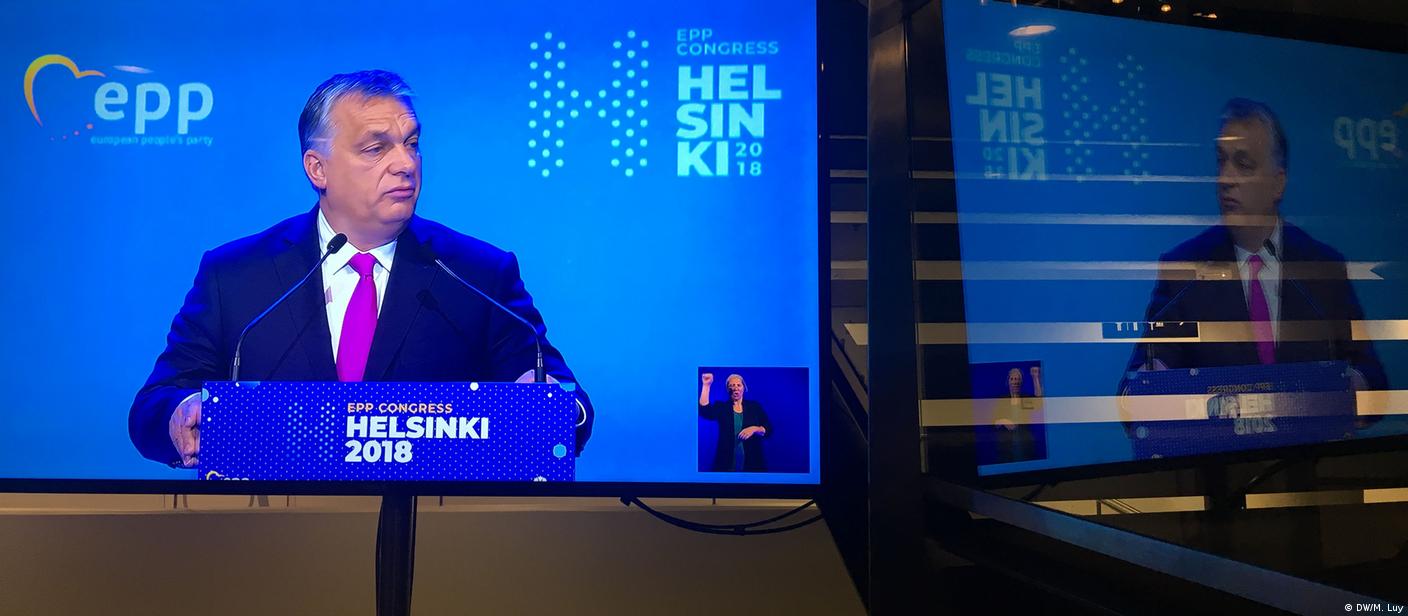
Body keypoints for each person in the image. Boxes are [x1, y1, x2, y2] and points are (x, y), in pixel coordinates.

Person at [128, 70, 593, 467]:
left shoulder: (478, 275)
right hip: (273, 531)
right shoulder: (236, 275)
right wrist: (180, 413)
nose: (405, 164)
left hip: (429, 529)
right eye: (376, 148)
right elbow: (154, 406)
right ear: (318, 169)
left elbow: (572, 411)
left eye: (412, 143)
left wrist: (555, 407)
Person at [1124, 98, 1387, 391]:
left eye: (1243, 165)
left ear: (1278, 183)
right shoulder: (1185, 272)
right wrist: (1148, 384)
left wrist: (1353, 386)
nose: (1225, 179)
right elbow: (1134, 384)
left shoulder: (1323, 268)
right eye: (1221, 161)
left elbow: (1372, 375)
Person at [698, 372, 771, 472]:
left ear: (744, 388)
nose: (735, 387)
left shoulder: (754, 407)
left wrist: (755, 429)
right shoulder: (721, 407)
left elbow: (769, 429)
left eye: (738, 385)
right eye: (732, 385)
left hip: (752, 463)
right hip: (726, 463)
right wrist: (706, 385)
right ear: (728, 389)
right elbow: (705, 411)